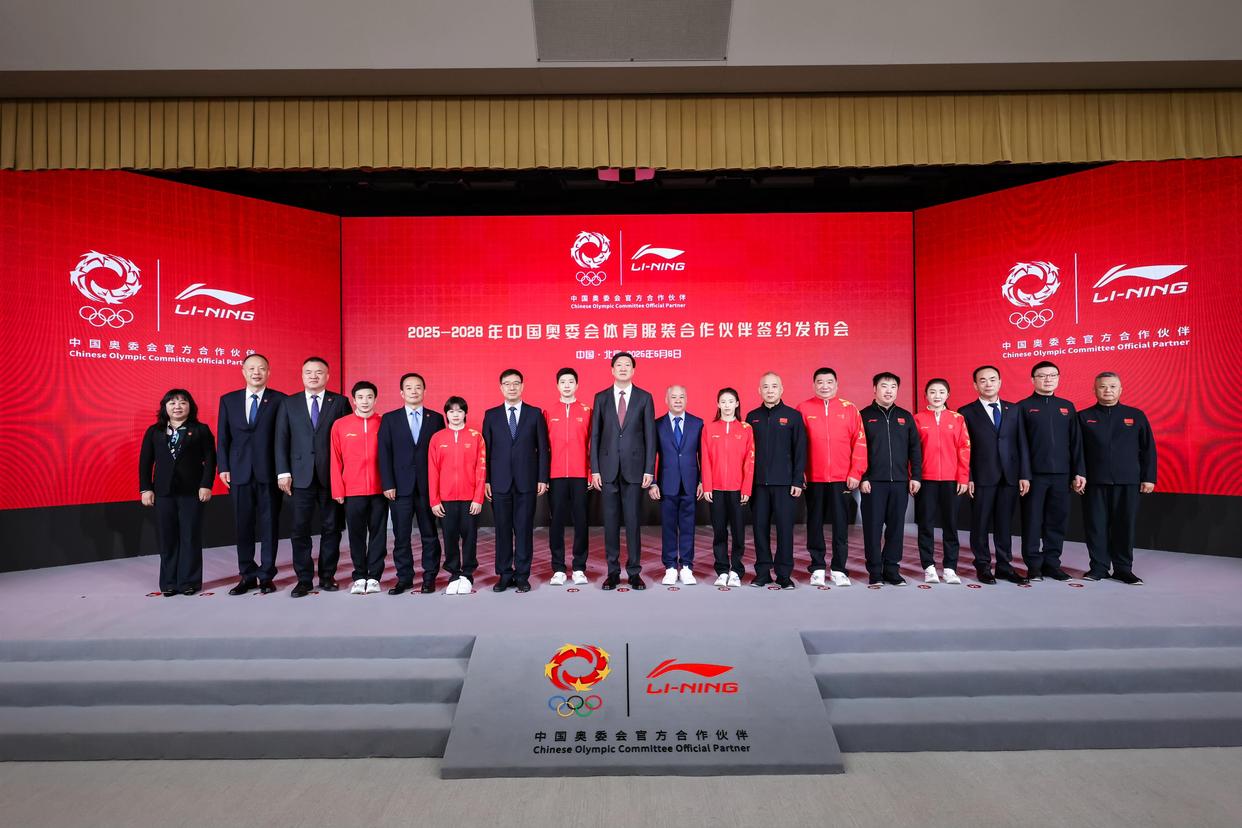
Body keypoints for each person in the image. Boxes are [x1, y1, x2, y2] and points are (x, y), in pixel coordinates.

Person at [275, 356, 350, 597]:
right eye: (309, 372)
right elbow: (281, 439)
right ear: (302, 375)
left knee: (332, 528)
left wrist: (345, 474)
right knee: (300, 529)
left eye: (319, 372)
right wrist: (283, 472)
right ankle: (304, 579)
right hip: (299, 477)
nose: (314, 376)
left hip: (331, 477)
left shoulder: (340, 402)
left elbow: (348, 440)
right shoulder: (289, 403)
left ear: (327, 376)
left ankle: (327, 576)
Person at [217, 353, 287, 595]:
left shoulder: (280, 400)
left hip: (270, 472)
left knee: (270, 526)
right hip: (239, 472)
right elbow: (223, 437)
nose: (256, 372)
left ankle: (266, 575)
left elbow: (283, 438)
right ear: (243, 371)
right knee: (243, 525)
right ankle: (246, 575)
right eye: (251, 368)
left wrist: (283, 471)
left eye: (261, 368)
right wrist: (223, 466)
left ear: (268, 372)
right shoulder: (229, 400)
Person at [1078, 372, 1156, 585]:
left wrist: (1149, 477)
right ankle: (1098, 568)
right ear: (1094, 390)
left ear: (1121, 390)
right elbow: (1077, 450)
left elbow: (1148, 449)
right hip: (1094, 482)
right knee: (1095, 526)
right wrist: (1079, 474)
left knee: (1125, 525)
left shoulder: (1136, 415)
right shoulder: (1083, 417)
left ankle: (1123, 569)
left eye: (1113, 386)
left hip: (1128, 481)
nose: (1108, 390)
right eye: (1102, 387)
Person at [589, 351, 657, 591]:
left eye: (627, 365)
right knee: (610, 523)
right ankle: (613, 572)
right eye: (619, 365)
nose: (623, 368)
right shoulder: (601, 398)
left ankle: (635, 572)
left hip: (635, 469)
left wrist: (649, 469)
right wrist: (595, 469)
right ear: (612, 370)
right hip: (607, 469)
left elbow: (650, 436)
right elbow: (595, 435)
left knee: (633, 522)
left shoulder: (644, 398)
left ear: (633, 370)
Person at [139, 389, 215, 596]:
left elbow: (210, 460)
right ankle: (169, 583)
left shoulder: (200, 430)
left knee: (190, 536)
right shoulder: (154, 431)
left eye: (183, 402)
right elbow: (145, 462)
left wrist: (206, 485)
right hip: (163, 492)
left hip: (192, 492)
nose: (177, 407)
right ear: (165, 407)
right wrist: (146, 488)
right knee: (167, 537)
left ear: (190, 406)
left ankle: (189, 581)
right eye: (172, 403)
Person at [958, 365, 1030, 585]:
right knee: (980, 524)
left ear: (1000, 382)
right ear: (975, 385)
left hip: (1010, 476)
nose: (988, 384)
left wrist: (1024, 474)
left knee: (1004, 524)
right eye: (983, 380)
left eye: (992, 379)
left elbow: (1022, 443)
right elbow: (964, 447)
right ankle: (983, 566)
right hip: (981, 477)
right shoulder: (966, 412)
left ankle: (1004, 566)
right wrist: (968, 476)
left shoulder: (1014, 409)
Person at [797, 367, 867, 587]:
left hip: (842, 479)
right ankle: (817, 567)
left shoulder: (850, 409)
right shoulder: (803, 409)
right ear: (814, 385)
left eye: (829, 382)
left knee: (841, 526)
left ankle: (838, 568)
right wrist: (800, 473)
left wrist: (855, 472)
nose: (824, 386)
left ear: (836, 384)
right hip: (813, 478)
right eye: (820, 382)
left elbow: (860, 442)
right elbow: (796, 445)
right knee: (814, 524)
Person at [482, 369, 550, 593]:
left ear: (522, 386)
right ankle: (504, 574)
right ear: (501, 387)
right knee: (502, 531)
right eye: (507, 384)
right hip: (499, 482)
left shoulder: (535, 413)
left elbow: (543, 449)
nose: (512, 387)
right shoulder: (491, 415)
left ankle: (522, 575)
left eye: (516, 383)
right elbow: (485, 451)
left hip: (527, 481)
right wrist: (486, 480)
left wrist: (542, 477)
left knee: (524, 530)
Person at [1017, 360, 1086, 582]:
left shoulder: (1067, 406)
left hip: (1062, 476)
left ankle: (1052, 564)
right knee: (1032, 521)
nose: (1048, 379)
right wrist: (1024, 474)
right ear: (1033, 379)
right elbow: (1020, 445)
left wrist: (1078, 471)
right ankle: (1033, 566)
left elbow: (1076, 443)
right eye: (1042, 375)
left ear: (1058, 378)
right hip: (1034, 476)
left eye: (1052, 375)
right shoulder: (1023, 407)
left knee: (1057, 521)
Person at [378, 372, 446, 594]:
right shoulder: (390, 419)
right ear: (401, 392)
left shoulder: (436, 419)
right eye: (409, 387)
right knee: (401, 536)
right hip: (399, 488)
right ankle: (404, 578)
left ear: (424, 391)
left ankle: (429, 577)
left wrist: (439, 487)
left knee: (430, 535)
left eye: (418, 387)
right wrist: (388, 483)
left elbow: (441, 455)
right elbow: (384, 453)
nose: (414, 391)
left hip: (428, 488)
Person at [859, 372, 922, 586]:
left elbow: (915, 449)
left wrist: (916, 476)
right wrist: (863, 477)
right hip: (873, 483)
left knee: (896, 528)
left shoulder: (905, 417)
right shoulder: (863, 416)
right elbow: (858, 449)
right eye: (884, 386)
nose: (889, 391)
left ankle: (892, 570)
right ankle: (875, 571)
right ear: (874, 389)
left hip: (900, 482)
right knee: (873, 528)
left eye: (893, 386)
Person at [745, 372, 806, 589]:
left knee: (784, 530)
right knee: (759, 529)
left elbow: (800, 450)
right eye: (765, 387)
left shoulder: (793, 416)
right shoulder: (752, 417)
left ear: (781, 389)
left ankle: (783, 574)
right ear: (759, 390)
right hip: (758, 485)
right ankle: (762, 572)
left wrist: (797, 480)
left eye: (774, 386)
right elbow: (746, 452)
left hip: (785, 485)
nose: (770, 390)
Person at [330, 381, 387, 595]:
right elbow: (335, 459)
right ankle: (360, 575)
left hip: (379, 490)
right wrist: (338, 489)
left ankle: (374, 577)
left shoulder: (384, 423)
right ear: (353, 400)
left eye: (369, 397)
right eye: (360, 397)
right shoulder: (340, 425)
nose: (365, 401)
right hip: (352, 490)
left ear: (375, 399)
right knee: (356, 535)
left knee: (378, 535)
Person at [913, 378, 970, 584]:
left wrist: (963, 477)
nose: (937, 396)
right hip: (926, 480)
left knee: (951, 525)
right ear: (926, 395)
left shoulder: (957, 419)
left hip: (951, 480)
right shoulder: (917, 419)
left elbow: (964, 448)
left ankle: (950, 568)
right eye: (932, 392)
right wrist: (914, 477)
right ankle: (928, 566)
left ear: (948, 395)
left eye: (941, 392)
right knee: (926, 524)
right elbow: (912, 451)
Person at [429, 397, 488, 595]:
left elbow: (481, 469)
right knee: (449, 537)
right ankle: (454, 574)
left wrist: (478, 498)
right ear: (446, 414)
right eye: (451, 411)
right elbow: (433, 471)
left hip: (469, 499)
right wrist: (434, 500)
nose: (455, 415)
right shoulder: (437, 438)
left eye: (459, 411)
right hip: (445, 499)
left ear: (465, 413)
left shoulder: (476, 437)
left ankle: (467, 575)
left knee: (470, 537)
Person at [649, 385, 704, 585]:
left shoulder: (697, 423)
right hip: (666, 484)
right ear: (667, 400)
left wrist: (702, 481)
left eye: (681, 397)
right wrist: (653, 482)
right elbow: (651, 455)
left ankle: (687, 566)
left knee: (688, 527)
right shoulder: (657, 424)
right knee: (669, 527)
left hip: (690, 484)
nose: (678, 400)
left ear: (686, 399)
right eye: (674, 397)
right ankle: (671, 567)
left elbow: (703, 455)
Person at [701, 387, 755, 587]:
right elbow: (705, 459)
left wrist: (746, 489)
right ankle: (722, 570)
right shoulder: (709, 428)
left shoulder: (746, 429)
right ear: (718, 404)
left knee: (739, 532)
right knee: (719, 532)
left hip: (737, 490)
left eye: (730, 401)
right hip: (716, 490)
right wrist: (707, 486)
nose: (727, 405)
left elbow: (750, 461)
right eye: (723, 401)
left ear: (737, 404)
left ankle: (736, 571)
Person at [544, 367, 592, 586]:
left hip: (580, 475)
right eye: (563, 381)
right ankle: (559, 568)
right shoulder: (548, 412)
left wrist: (590, 472)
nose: (566, 385)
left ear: (577, 385)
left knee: (581, 521)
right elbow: (543, 447)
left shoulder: (587, 411)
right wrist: (544, 476)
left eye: (571, 381)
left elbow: (592, 444)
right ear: (557, 385)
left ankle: (579, 567)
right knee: (556, 522)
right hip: (555, 476)